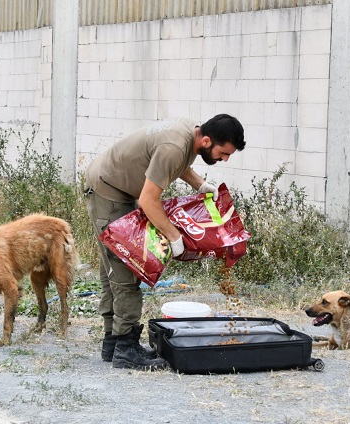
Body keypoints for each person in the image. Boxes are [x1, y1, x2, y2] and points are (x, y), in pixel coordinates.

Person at [84, 114, 246, 371]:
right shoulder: (174, 147)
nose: (224, 159)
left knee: (113, 267)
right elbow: (149, 200)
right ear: (205, 140)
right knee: (127, 264)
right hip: (109, 190)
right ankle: (124, 347)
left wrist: (199, 184)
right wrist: (173, 236)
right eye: (223, 153)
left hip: (115, 185)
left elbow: (174, 165)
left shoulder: (187, 135)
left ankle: (113, 343)